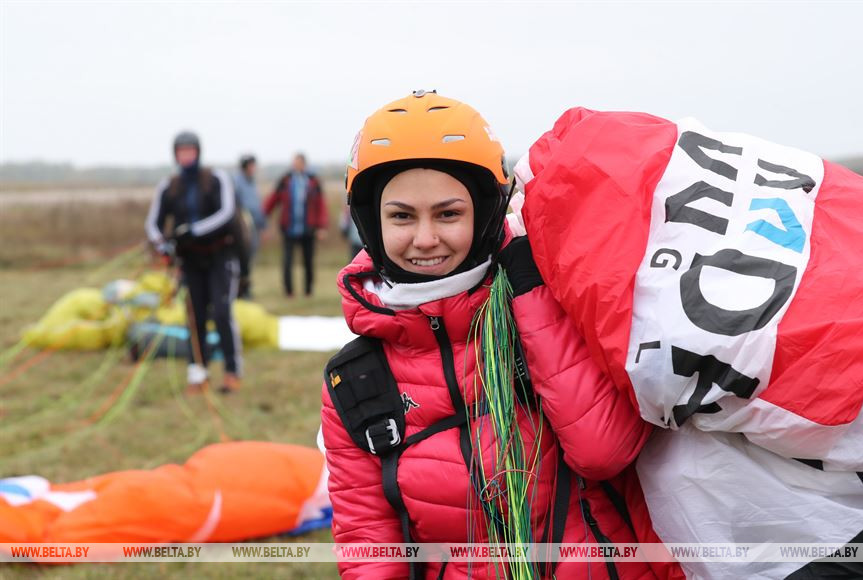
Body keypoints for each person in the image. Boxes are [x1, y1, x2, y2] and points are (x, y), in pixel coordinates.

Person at [320, 91, 678, 579]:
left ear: (485, 215)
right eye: (402, 216)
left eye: (448, 214)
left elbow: (602, 451)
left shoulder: (551, 301)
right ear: (371, 222)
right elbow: (369, 542)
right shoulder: (357, 380)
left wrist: (532, 295)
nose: (425, 238)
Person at [145, 131, 243, 394]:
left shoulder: (216, 179)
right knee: (194, 317)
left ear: (198, 152)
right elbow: (152, 224)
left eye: (190, 150)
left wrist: (195, 230)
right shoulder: (169, 186)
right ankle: (198, 374)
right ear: (175, 155)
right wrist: (163, 244)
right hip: (189, 262)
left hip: (219, 258)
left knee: (221, 313)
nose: (186, 155)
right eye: (181, 151)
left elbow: (226, 212)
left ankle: (232, 371)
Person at [263, 153, 328, 297]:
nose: (296, 165)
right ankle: (289, 291)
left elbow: (321, 205)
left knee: (308, 262)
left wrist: (321, 227)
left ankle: (308, 291)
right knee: (287, 262)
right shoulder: (285, 180)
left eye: (299, 162)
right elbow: (273, 199)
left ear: (304, 164)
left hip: (308, 229)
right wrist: (262, 217)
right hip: (289, 229)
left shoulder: (313, 181)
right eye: (294, 162)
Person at [233, 154, 266, 298]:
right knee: (241, 260)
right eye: (252, 165)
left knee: (249, 259)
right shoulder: (236, 182)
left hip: (254, 228)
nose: (254, 168)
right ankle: (239, 290)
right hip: (242, 229)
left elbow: (256, 206)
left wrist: (262, 223)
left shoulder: (252, 182)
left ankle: (245, 287)